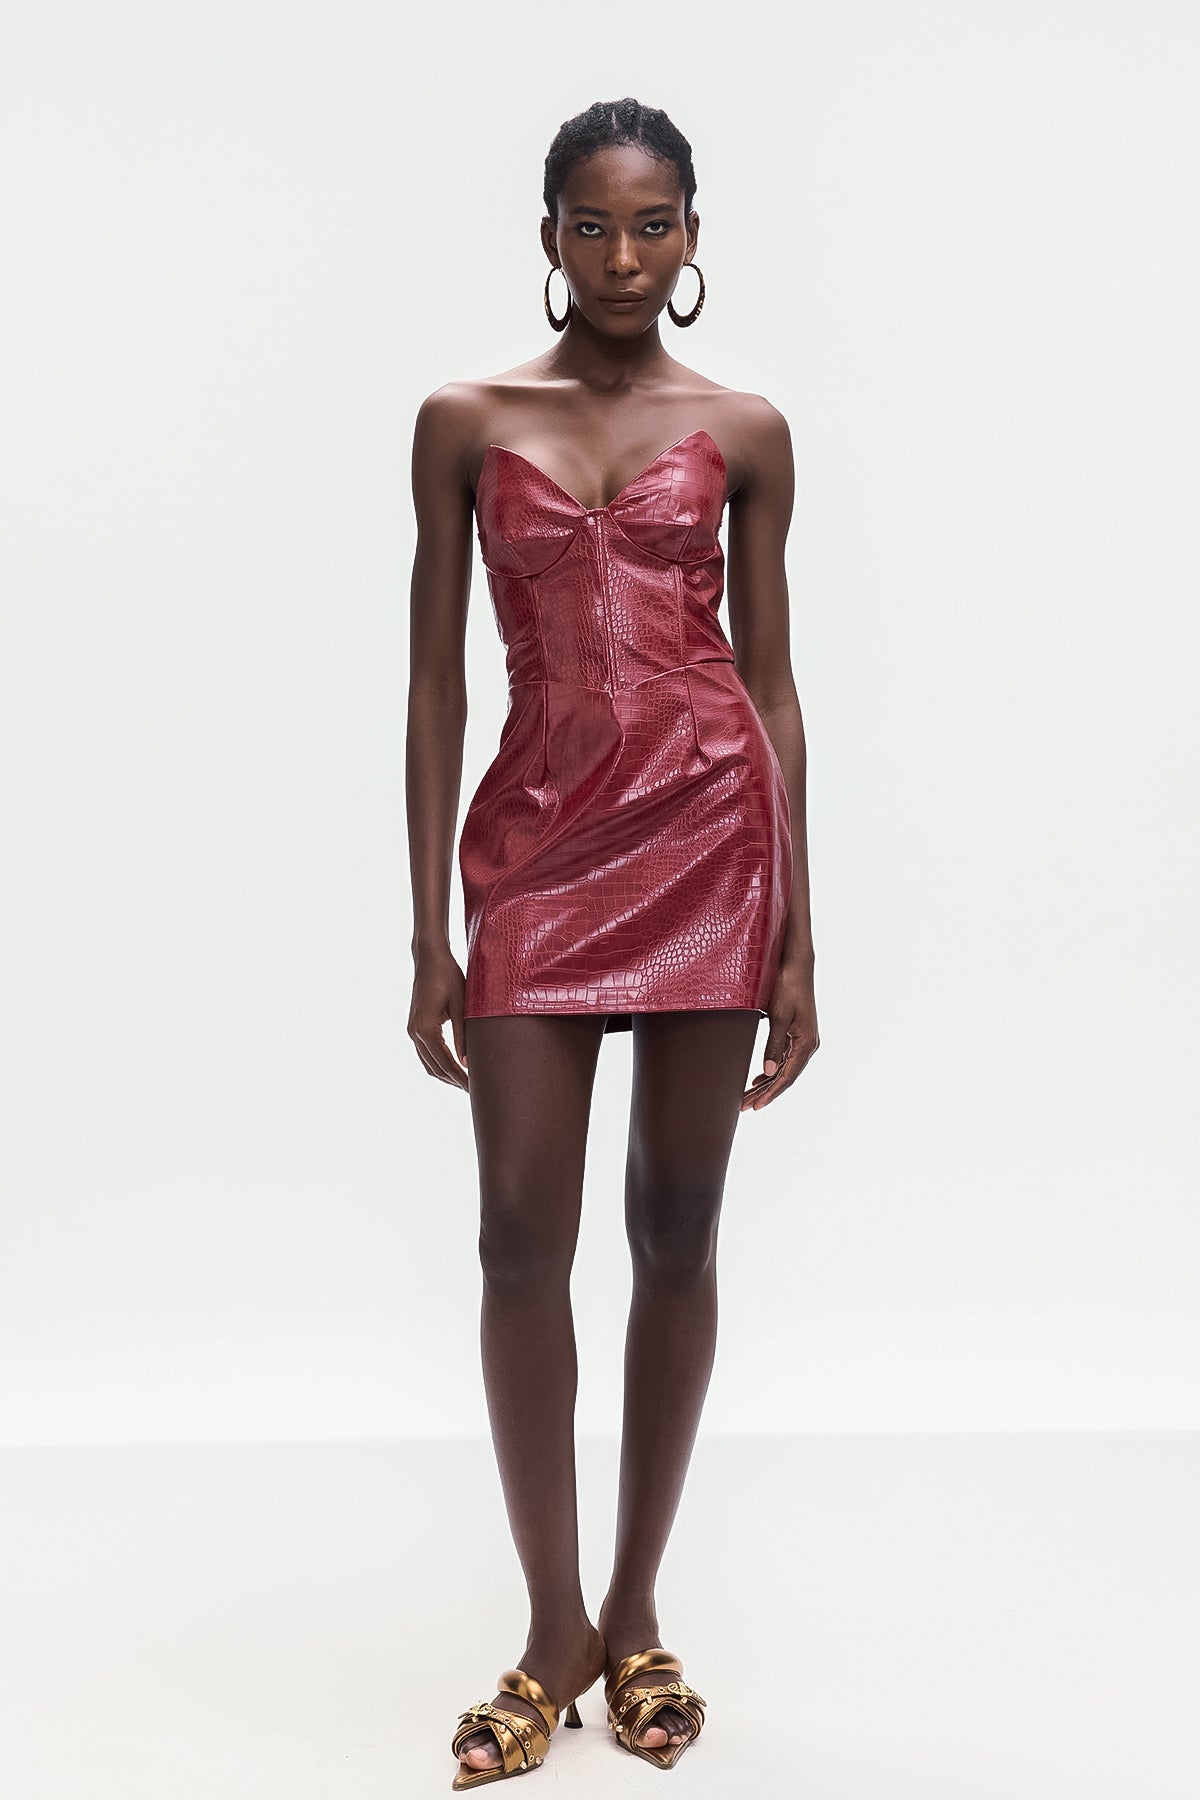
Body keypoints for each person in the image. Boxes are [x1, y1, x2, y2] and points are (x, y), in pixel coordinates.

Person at [405, 96, 819, 1789]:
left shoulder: (747, 429)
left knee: (677, 1232)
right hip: (536, 848)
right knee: (519, 1240)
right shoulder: (465, 420)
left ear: (694, 236)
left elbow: (772, 686)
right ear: (551, 236)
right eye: (595, 225)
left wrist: (798, 939)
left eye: (655, 225)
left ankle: (635, 1614)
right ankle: (550, 1628)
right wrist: (431, 930)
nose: (626, 255)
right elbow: (435, 683)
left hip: (713, 839)